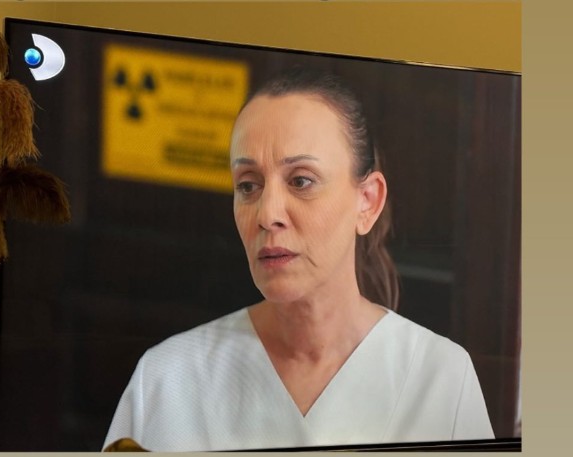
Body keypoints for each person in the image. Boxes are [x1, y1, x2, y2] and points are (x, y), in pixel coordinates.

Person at [103, 68, 494, 452]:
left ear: (368, 201)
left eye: (301, 181)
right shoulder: (167, 380)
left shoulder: (439, 380)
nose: (267, 214)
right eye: (248, 185)